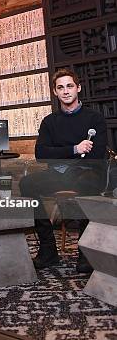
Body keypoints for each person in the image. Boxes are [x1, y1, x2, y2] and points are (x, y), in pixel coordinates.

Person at [20, 69, 107, 274]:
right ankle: (48, 249)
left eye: (69, 86)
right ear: (55, 92)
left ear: (78, 88)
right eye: (60, 87)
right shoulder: (50, 122)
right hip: (60, 173)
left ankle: (86, 252)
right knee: (27, 184)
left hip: (88, 172)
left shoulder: (94, 119)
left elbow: (97, 155)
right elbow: (42, 154)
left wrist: (64, 158)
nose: (65, 91)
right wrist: (75, 149)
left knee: (87, 183)